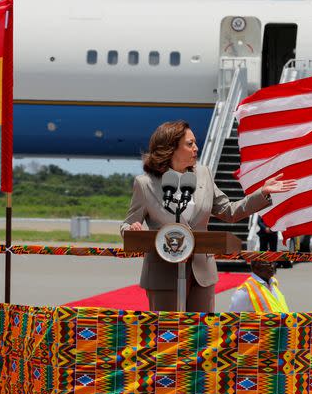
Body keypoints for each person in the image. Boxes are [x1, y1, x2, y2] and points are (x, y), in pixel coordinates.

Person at [122, 120, 297, 313]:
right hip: (163, 273)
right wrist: (131, 229)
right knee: (167, 335)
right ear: (170, 148)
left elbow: (229, 211)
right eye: (190, 144)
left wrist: (262, 193)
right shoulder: (145, 184)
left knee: (201, 336)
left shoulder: (203, 175)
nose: (196, 148)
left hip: (201, 273)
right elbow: (128, 223)